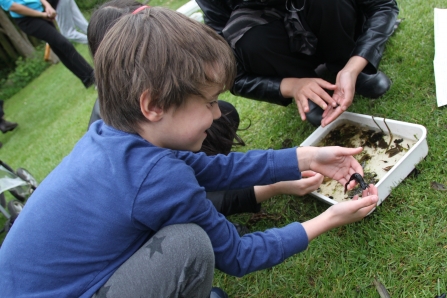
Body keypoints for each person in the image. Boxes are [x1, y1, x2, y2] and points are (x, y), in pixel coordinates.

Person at [0, 6, 379, 297]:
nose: (217, 114)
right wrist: (329, 219)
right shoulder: (153, 177)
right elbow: (239, 255)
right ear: (153, 105)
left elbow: (218, 170)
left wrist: (306, 158)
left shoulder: (114, 138)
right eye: (211, 102)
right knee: (189, 245)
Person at [85, 0, 325, 236]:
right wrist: (275, 186)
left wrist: (297, 161)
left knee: (225, 116)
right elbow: (239, 255)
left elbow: (218, 169)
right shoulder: (138, 162)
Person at [195, 0, 399, 127]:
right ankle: (309, 87)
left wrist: (353, 67)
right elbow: (230, 72)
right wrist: (292, 86)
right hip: (273, 34)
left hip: (334, 24)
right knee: (247, 40)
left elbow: (383, 5)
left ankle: (344, 64)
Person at [0, 0, 95, 88]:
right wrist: (41, 14)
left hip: (42, 11)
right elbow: (13, 7)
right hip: (28, 20)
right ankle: (92, 75)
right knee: (63, 43)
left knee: (58, 48)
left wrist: (47, 6)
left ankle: (87, 79)